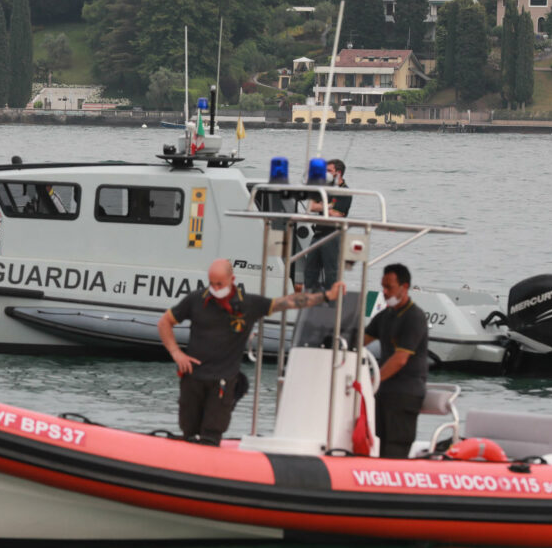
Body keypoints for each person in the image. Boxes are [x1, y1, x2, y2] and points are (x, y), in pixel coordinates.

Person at [158, 258, 344, 446]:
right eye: (212, 283)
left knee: (211, 434)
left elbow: (288, 302)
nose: (215, 288)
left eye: (220, 283)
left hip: (222, 380)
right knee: (188, 429)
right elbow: (165, 321)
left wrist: (327, 296)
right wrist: (175, 352)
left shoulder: (248, 305)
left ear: (232, 279)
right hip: (193, 377)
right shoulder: (196, 300)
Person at [363, 263, 429, 459]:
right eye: (383, 286)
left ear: (404, 287)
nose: (384, 292)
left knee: (393, 450)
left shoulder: (414, 317)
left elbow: (400, 359)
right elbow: (360, 340)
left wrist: (371, 381)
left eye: (389, 287)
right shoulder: (384, 317)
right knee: (376, 444)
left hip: (405, 394)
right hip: (383, 394)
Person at [302, 158, 352, 292]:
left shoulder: (344, 191)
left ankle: (333, 304)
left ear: (338, 173)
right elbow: (311, 206)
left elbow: (337, 214)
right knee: (310, 270)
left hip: (333, 235)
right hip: (318, 234)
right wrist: (328, 206)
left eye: (329, 171)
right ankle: (310, 300)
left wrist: (324, 207)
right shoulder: (324, 189)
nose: (326, 174)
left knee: (331, 273)